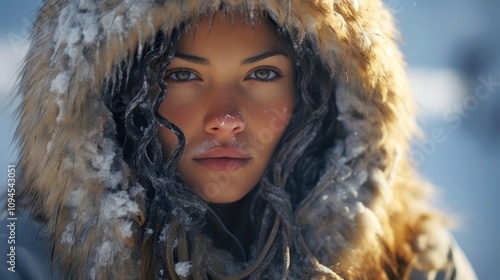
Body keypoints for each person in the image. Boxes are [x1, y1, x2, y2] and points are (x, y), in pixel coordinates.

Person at [4, 0, 477, 279]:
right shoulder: (25, 257)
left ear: (314, 92)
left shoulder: (415, 260)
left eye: (263, 73)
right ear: (117, 93)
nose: (226, 120)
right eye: (184, 74)